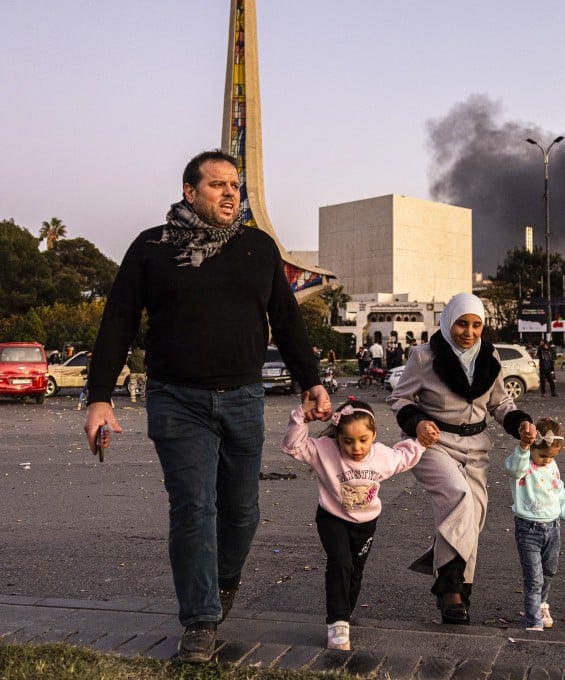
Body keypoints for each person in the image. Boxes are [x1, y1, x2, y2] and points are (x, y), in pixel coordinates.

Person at [81, 149, 331, 664]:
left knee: (242, 511)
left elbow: (286, 320)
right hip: (177, 401)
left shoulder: (259, 248)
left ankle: (221, 584)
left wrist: (311, 381)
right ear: (190, 192)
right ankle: (199, 620)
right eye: (217, 185)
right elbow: (118, 322)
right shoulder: (152, 247)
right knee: (193, 508)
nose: (230, 193)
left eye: (234, 185)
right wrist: (100, 397)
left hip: (243, 398)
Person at [387, 293, 537, 624]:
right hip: (434, 443)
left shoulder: (491, 356)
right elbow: (399, 398)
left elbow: (500, 405)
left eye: (475, 325)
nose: (468, 332)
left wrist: (521, 423)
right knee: (459, 498)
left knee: (472, 518)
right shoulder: (425, 356)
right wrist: (418, 422)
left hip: (476, 447)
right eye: (461, 324)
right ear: (448, 321)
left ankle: (460, 593)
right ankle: (449, 591)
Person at [282, 396, 438, 650]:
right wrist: (300, 417)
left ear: (374, 435)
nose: (356, 448)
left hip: (365, 524)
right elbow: (293, 446)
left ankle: (346, 610)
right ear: (337, 437)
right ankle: (337, 622)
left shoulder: (382, 457)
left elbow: (405, 456)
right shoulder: (325, 450)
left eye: (363, 440)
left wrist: (422, 440)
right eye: (348, 441)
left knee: (355, 569)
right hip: (332, 518)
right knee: (340, 563)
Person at [504, 417, 565, 631]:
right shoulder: (522, 463)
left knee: (549, 571)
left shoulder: (551, 464)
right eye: (543, 455)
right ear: (533, 447)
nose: (547, 460)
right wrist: (524, 447)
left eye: (552, 456)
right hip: (528, 528)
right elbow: (513, 469)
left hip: (553, 527)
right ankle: (533, 619)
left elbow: (559, 491)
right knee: (534, 577)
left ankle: (542, 604)